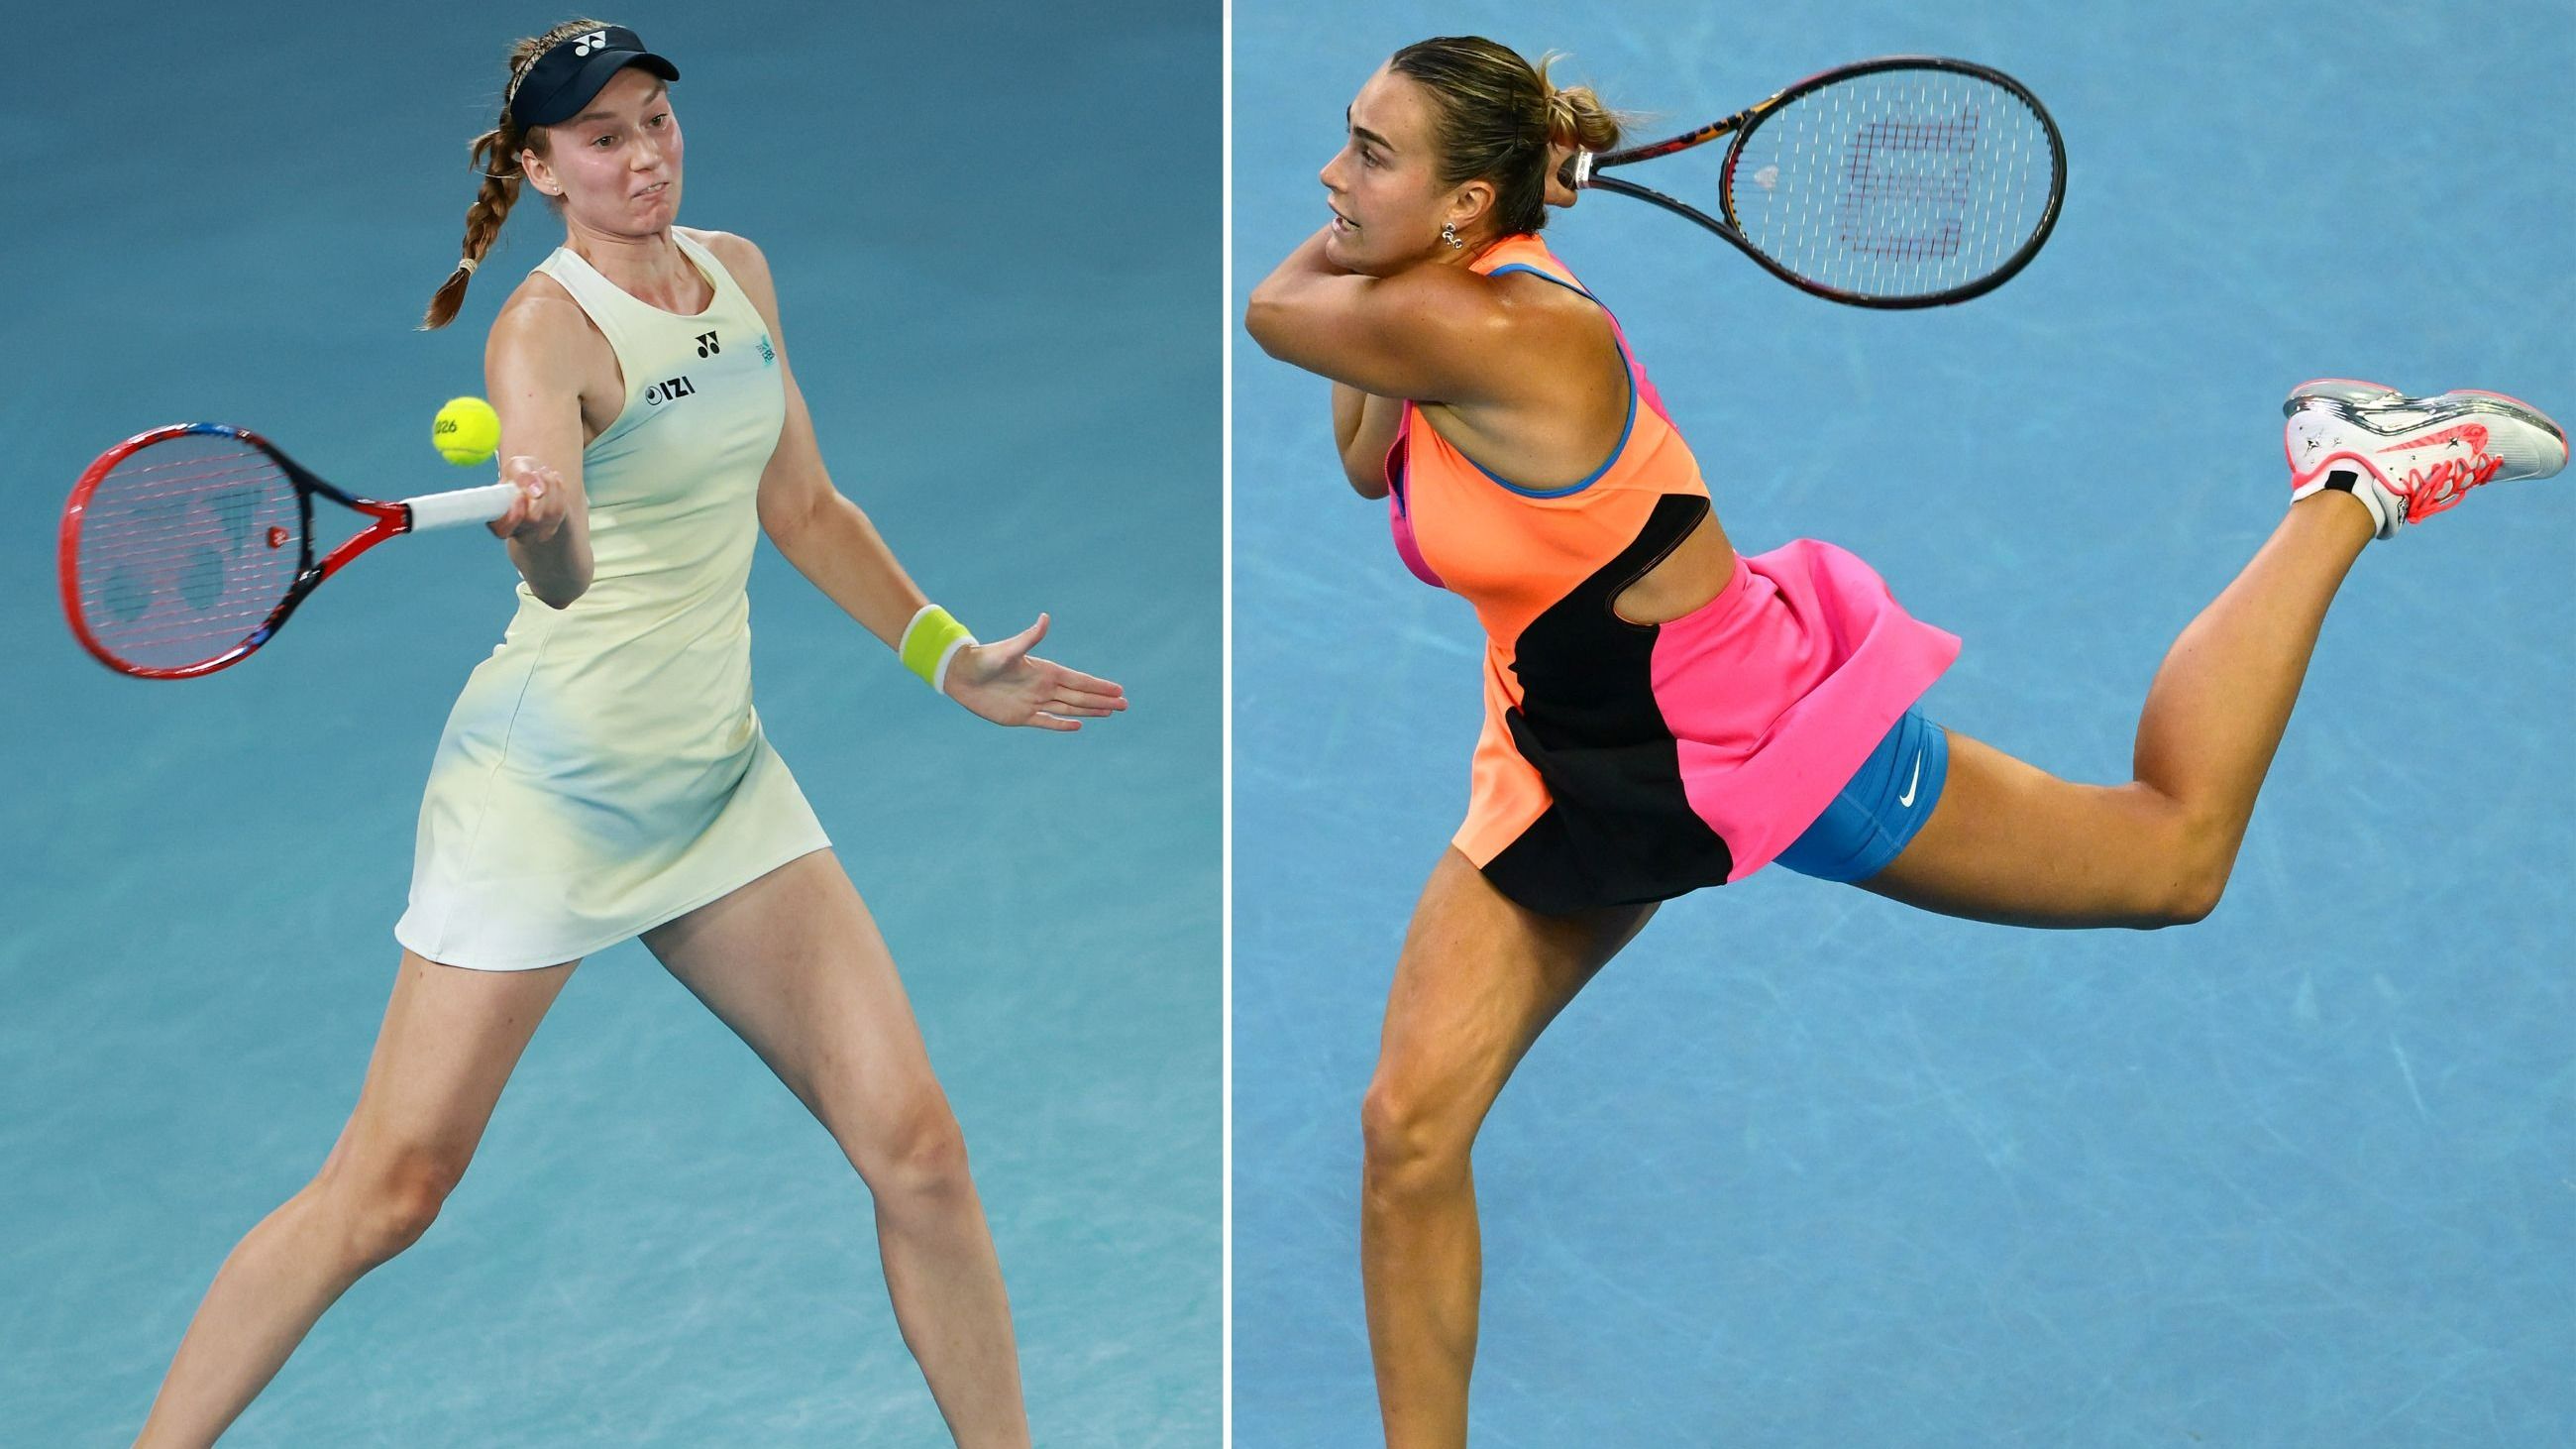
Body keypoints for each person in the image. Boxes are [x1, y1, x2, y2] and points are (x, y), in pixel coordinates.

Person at [1243, 34, 2564, 1449]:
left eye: (1372, 153)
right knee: (1410, 1133)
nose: (1330, 171)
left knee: (2170, 853)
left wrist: (1404, 241)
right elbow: (1362, 456)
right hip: (1565, 767)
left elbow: (1275, 308)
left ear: (1464, 208)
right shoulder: (1425, 305)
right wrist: (1415, 221)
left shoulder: (1498, 332)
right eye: (1345, 138)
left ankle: (2352, 476)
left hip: (1742, 737)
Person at [135, 21, 1120, 1447]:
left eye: (655, 121)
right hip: (552, 792)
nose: (644, 155)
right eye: (604, 138)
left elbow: (805, 510)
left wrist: (943, 654)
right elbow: (569, 575)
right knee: (390, 1190)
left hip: (716, 786)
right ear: (542, 170)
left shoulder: (739, 270)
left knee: (920, 1151)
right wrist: (540, 531)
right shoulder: (544, 328)